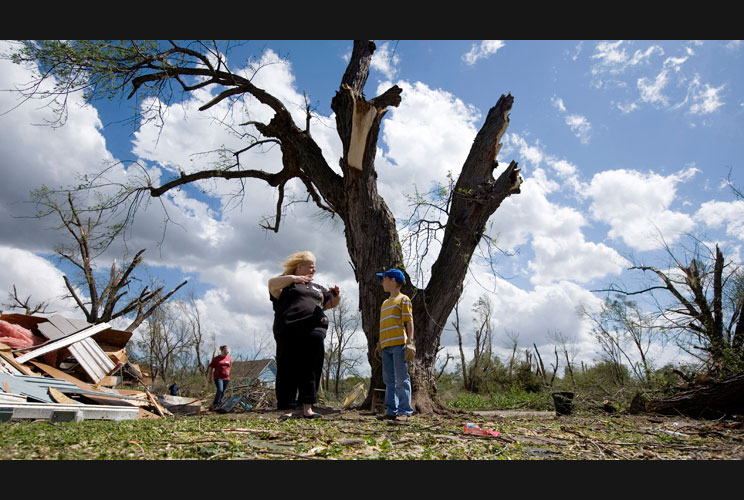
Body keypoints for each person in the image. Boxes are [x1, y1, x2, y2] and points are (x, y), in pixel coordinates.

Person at [268, 251, 341, 419]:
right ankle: (287, 410)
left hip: (314, 331)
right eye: (311, 266)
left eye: (315, 266)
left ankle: (307, 408)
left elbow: (330, 304)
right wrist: (294, 279)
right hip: (289, 330)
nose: (314, 269)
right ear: (299, 266)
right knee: (288, 369)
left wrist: (337, 296)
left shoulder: (317, 288)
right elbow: (271, 284)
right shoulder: (287, 283)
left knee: (311, 370)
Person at [375, 268, 415, 421]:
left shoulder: (403, 299)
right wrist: (379, 343)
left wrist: (410, 342)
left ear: (392, 281)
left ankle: (405, 411)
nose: (382, 283)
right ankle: (391, 411)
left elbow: (409, 322)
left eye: (384, 279)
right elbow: (383, 325)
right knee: (389, 380)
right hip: (386, 346)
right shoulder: (384, 303)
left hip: (399, 344)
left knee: (401, 379)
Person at [207, 345, 232, 410]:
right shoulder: (216, 358)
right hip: (218, 377)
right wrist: (209, 377)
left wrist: (228, 374)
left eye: (227, 351)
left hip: (226, 378)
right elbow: (210, 367)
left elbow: (229, 367)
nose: (227, 352)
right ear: (222, 351)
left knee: (223, 392)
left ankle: (220, 405)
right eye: (225, 351)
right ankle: (215, 404)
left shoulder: (229, 358)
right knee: (220, 390)